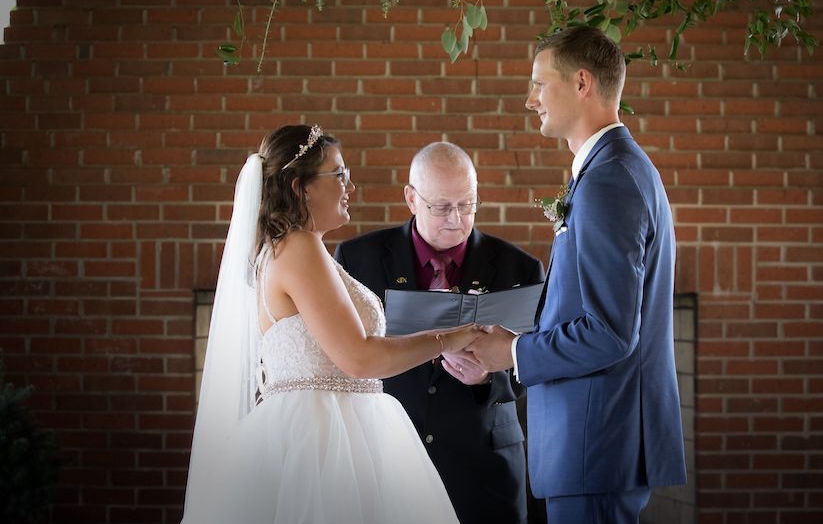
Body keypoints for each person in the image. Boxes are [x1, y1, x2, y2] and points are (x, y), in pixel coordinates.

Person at [181, 125, 482, 524]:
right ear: (301, 186)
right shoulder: (299, 247)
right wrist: (449, 338)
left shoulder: (293, 248)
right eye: (339, 174)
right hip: (323, 444)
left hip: (334, 428)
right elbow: (359, 358)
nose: (350, 186)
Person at [468, 26, 687, 524]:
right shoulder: (611, 171)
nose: (530, 100)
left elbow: (608, 332)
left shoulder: (609, 180)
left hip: (597, 439)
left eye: (540, 84)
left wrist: (513, 352)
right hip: (595, 444)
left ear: (582, 83)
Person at [334, 142, 545, 524]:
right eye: (442, 206)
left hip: (484, 467)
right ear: (411, 199)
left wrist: (487, 377)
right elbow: (342, 356)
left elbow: (533, 367)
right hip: (388, 461)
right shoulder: (357, 259)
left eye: (467, 205)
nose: (456, 219)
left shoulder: (521, 268)